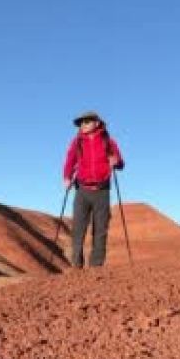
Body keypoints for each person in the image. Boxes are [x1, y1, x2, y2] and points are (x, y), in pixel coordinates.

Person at [63, 111, 124, 268]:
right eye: (81, 123)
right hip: (82, 190)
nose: (83, 125)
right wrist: (67, 177)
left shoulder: (108, 141)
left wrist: (115, 161)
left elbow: (121, 162)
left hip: (102, 191)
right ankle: (76, 265)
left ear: (97, 123)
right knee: (78, 229)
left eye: (87, 121)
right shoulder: (77, 142)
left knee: (100, 230)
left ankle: (96, 267)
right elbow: (70, 161)